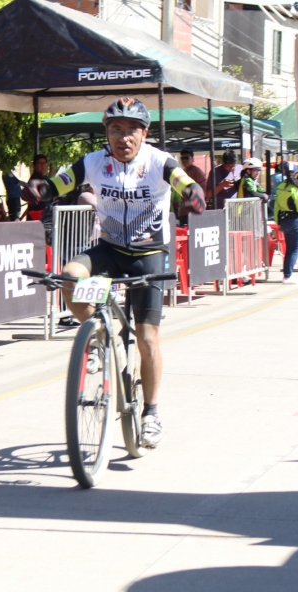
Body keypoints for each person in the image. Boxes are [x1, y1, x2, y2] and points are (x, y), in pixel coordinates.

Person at [22, 97, 206, 447]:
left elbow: (185, 184)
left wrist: (194, 195)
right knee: (70, 277)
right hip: (107, 249)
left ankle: (151, 412)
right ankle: (101, 334)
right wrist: (38, 190)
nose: (123, 138)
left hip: (148, 254)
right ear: (106, 133)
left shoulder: (159, 161)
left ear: (144, 133)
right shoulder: (93, 161)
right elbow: (58, 184)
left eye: (131, 130)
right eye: (115, 130)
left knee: (147, 336)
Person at [273, 163, 298, 284]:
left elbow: (277, 206)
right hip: (296, 220)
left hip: (284, 220)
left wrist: (278, 222)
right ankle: (288, 275)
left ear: (284, 173)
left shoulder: (281, 186)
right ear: (297, 173)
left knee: (289, 249)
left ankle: (287, 274)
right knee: (295, 249)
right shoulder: (297, 188)